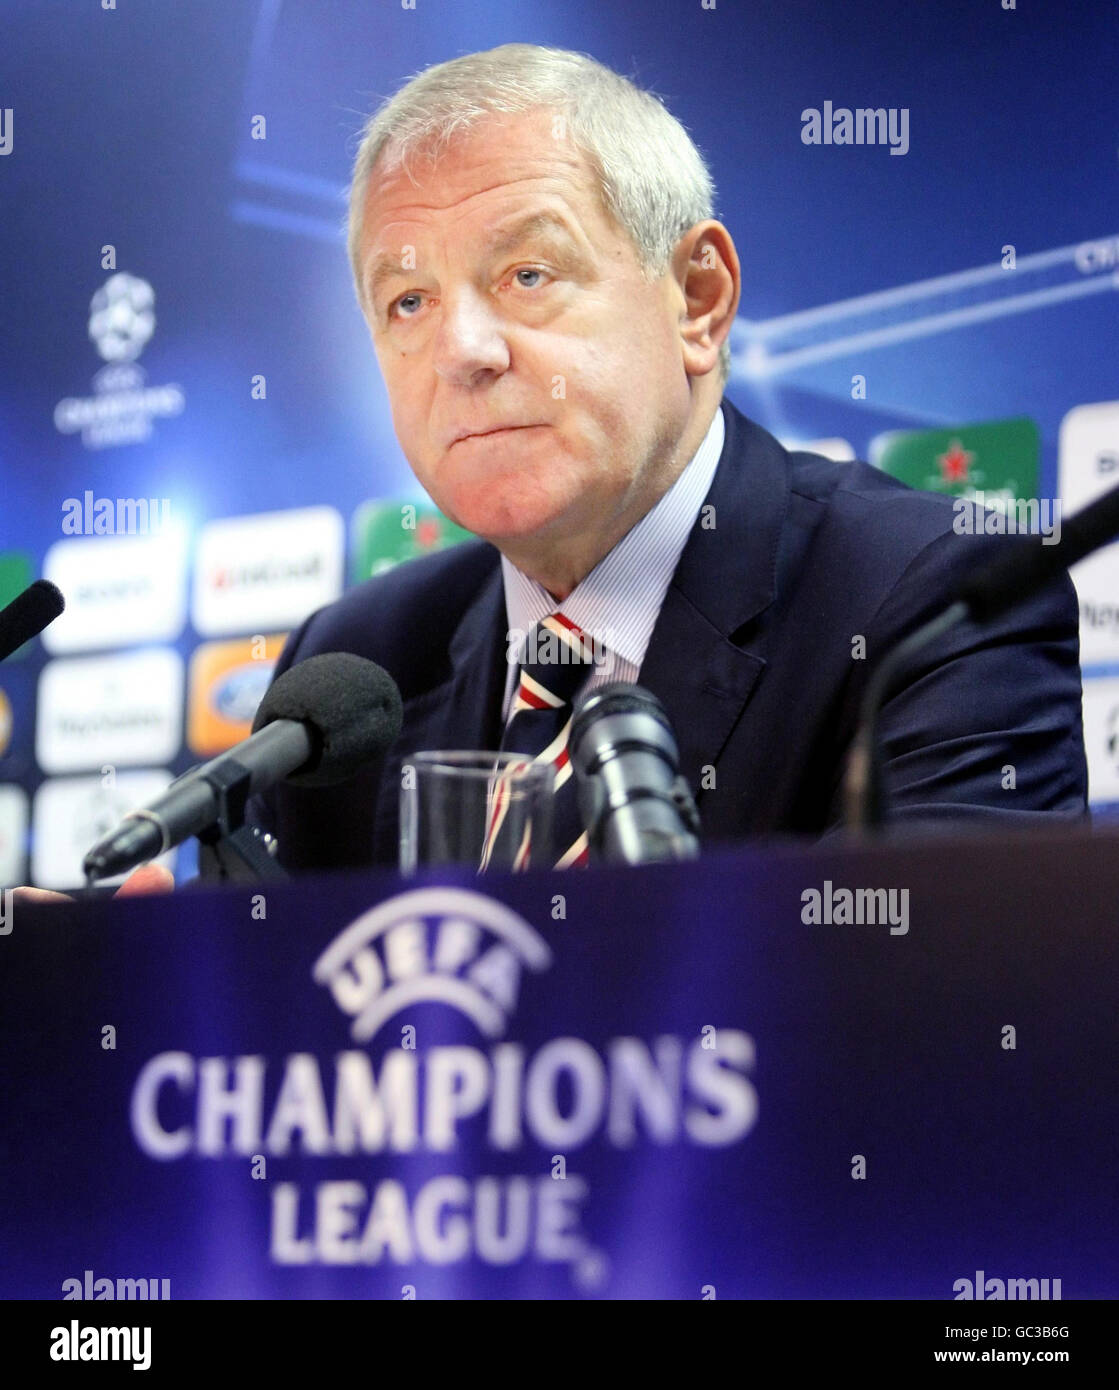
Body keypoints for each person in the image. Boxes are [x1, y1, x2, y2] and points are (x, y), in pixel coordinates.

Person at [242, 42, 1087, 875]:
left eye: (527, 274)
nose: (462, 349)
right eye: (409, 301)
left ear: (698, 300)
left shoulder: (930, 605)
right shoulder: (355, 665)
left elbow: (922, 990)